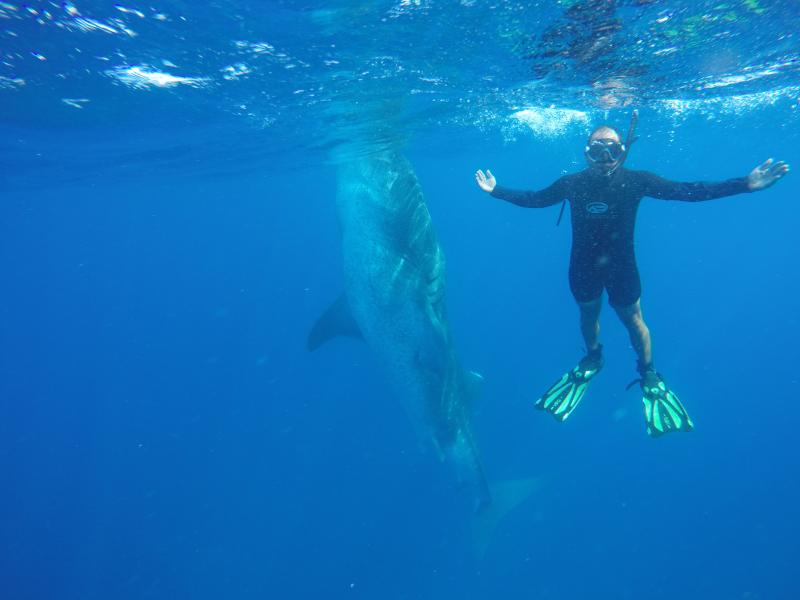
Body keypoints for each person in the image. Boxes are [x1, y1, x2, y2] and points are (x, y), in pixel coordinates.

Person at [475, 117, 790, 437]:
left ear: (622, 152)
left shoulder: (637, 181)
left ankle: (649, 373)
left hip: (621, 266)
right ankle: (593, 358)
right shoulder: (571, 183)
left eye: (612, 150)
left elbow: (688, 191)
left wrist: (745, 184)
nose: (605, 158)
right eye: (597, 150)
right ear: (586, 153)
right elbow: (535, 199)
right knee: (588, 313)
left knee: (633, 318)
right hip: (582, 267)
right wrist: (495, 190)